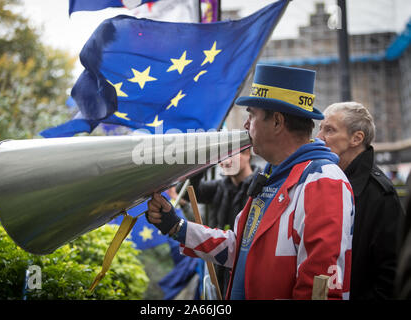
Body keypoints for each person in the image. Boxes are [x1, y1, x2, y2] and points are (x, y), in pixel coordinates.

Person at [146, 64, 354, 300]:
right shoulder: (273, 176)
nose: (246, 125)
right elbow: (239, 248)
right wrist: (177, 227)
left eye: (251, 115)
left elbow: (321, 286)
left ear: (277, 121)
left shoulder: (323, 180)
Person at [316, 101, 404, 300]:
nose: (319, 138)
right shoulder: (328, 181)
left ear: (356, 138)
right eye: (320, 129)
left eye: (329, 130)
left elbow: (392, 272)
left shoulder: (380, 193)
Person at [179, 147, 256, 296]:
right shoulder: (219, 187)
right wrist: (204, 159)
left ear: (247, 153)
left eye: (230, 156)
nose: (225, 162)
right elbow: (185, 190)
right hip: (218, 266)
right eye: (221, 157)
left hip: (246, 267)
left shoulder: (262, 188)